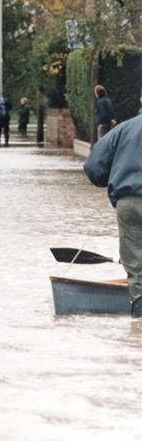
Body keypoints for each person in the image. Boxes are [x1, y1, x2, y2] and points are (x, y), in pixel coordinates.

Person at [83, 114, 142, 317]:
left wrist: (108, 180)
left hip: (127, 203)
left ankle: (138, 322)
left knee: (136, 268)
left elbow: (92, 166)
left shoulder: (123, 129)